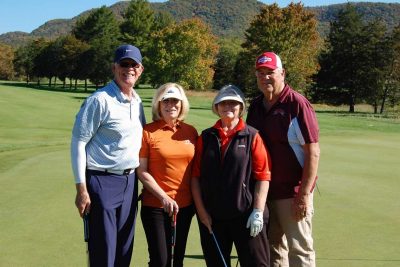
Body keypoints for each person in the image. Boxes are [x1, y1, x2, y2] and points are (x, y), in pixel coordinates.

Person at [71, 44, 146, 267]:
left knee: (124, 247)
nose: (129, 69)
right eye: (124, 64)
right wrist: (81, 189)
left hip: (130, 182)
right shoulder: (100, 100)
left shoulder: (138, 100)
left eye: (134, 65)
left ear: (140, 70)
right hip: (102, 181)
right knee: (104, 250)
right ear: (114, 67)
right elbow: (78, 142)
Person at [246, 52, 320, 267]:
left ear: (282, 73)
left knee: (300, 249)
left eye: (270, 72)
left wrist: (304, 195)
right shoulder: (257, 105)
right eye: (260, 73)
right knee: (273, 248)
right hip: (265, 191)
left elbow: (312, 152)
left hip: (293, 193)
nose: (265, 77)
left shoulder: (297, 104)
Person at [191, 84, 272, 267]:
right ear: (216, 107)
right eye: (223, 103)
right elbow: (195, 177)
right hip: (213, 217)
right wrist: (202, 213)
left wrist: (258, 211)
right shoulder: (206, 137)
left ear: (241, 108)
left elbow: (263, 176)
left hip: (247, 215)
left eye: (233, 103)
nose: (228, 107)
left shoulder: (252, 136)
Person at [136, 83, 198, 267]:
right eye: (166, 101)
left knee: (177, 261)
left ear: (182, 104)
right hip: (156, 206)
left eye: (175, 101)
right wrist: (164, 198)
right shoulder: (147, 131)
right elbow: (142, 170)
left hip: (185, 207)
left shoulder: (190, 131)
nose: (171, 105)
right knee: (160, 262)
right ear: (158, 105)